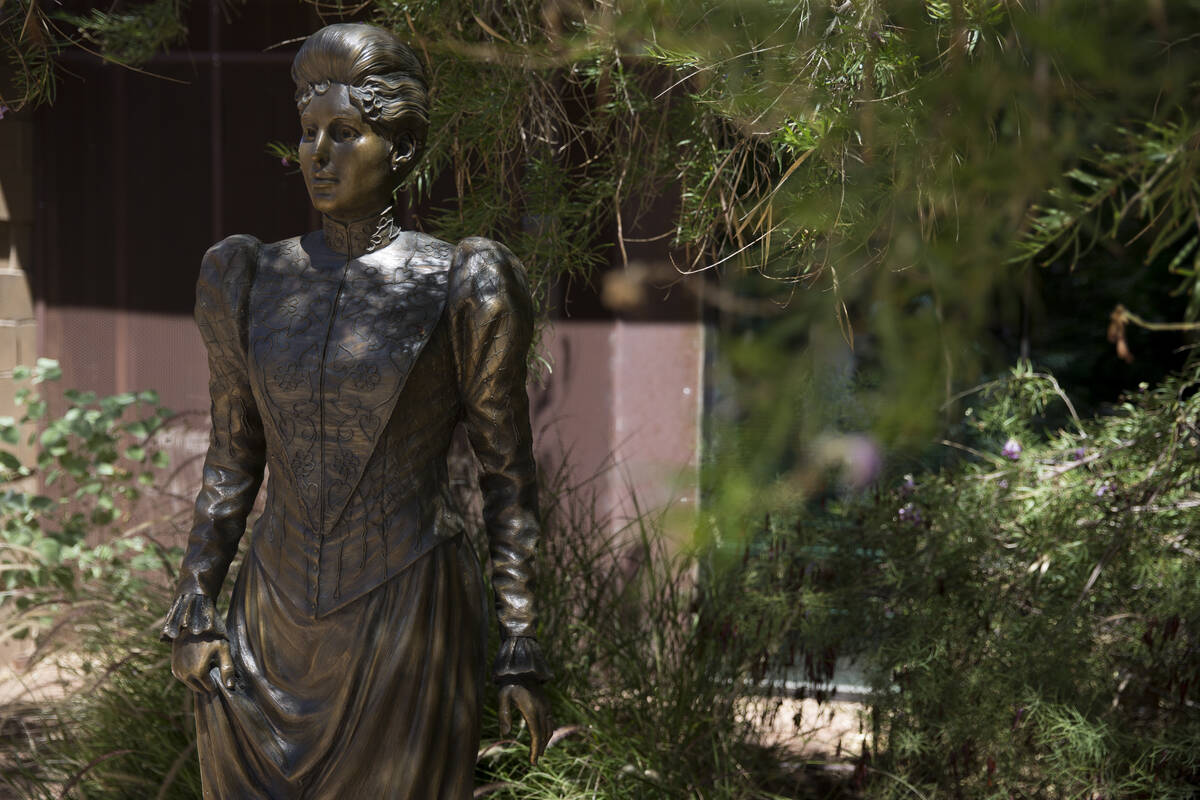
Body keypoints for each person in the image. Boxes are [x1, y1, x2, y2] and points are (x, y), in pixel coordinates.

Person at [161, 22, 551, 799]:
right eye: (308, 133)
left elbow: (509, 479)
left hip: (406, 614)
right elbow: (235, 458)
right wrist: (198, 601)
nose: (318, 153)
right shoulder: (248, 276)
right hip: (268, 616)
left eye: (346, 132)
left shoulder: (460, 284)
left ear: (399, 151)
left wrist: (518, 643)